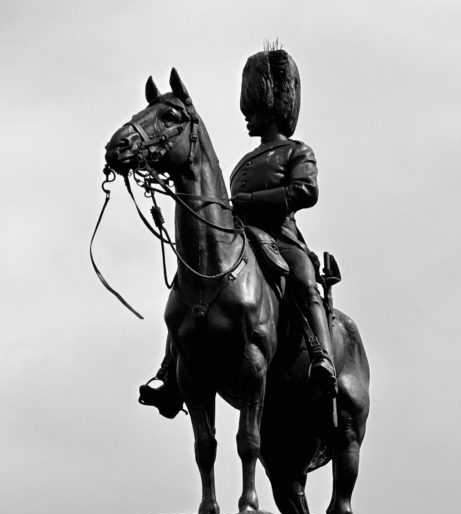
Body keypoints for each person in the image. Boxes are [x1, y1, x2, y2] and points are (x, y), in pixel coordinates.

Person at [139, 46, 337, 418]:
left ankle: (321, 357)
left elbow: (305, 192)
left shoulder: (297, 152)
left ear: (273, 109)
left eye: (254, 111)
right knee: (192, 285)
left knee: (304, 278)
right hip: (242, 239)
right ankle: (170, 373)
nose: (247, 118)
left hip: (281, 238)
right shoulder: (243, 162)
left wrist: (250, 199)